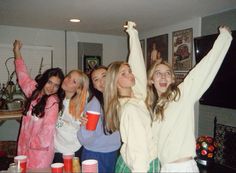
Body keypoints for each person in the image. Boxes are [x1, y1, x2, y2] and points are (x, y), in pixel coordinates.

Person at [146, 26, 232, 172]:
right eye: (158, 73)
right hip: (165, 168)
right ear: (151, 80)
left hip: (182, 167)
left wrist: (224, 38)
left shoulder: (180, 94)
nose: (163, 77)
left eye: (167, 73)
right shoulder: (157, 105)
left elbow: (203, 69)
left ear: (172, 78)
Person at [103, 21, 159, 173]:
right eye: (124, 74)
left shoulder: (134, 99)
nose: (131, 75)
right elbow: (139, 148)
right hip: (141, 166)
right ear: (115, 82)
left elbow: (138, 66)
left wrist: (133, 35)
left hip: (130, 162)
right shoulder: (131, 109)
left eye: (129, 71)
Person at [13, 40, 64, 169]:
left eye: (56, 85)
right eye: (50, 82)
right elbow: (22, 74)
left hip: (39, 154)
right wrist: (17, 51)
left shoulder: (53, 101)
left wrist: (31, 143)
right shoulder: (34, 91)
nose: (52, 88)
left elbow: (47, 131)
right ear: (44, 80)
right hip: (24, 148)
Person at [77, 66, 121, 173]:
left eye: (104, 76)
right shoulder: (94, 105)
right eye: (96, 79)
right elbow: (85, 138)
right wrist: (84, 127)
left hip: (112, 153)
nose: (101, 82)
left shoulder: (117, 100)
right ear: (94, 86)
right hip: (95, 155)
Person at [53, 69, 89, 163]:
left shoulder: (80, 107)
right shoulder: (59, 100)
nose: (67, 80)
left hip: (72, 151)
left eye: (73, 81)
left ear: (78, 89)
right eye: (69, 76)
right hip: (57, 149)